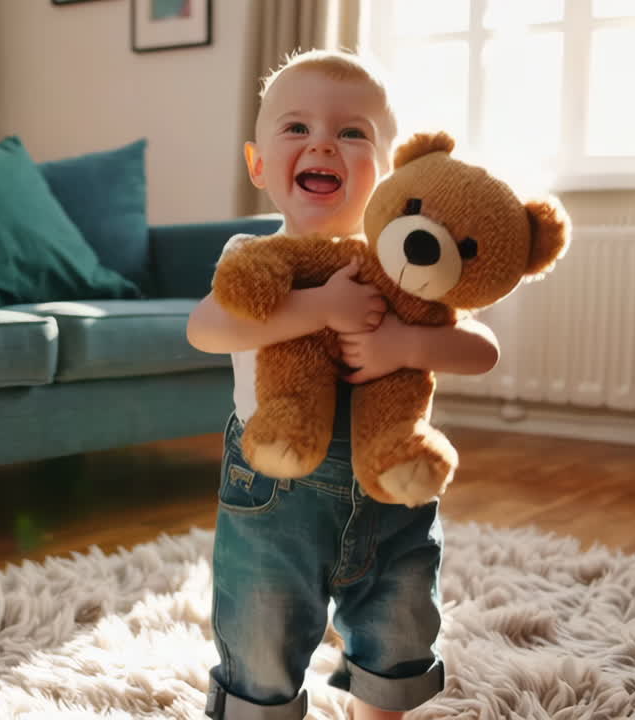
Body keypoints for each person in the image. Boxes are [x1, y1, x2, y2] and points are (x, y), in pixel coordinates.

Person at [187, 49, 500, 720]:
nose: (323, 141)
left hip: (392, 489)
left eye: (352, 132)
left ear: (388, 171)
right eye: (296, 128)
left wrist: (405, 344)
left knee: (400, 623)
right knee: (262, 627)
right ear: (259, 164)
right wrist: (320, 308)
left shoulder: (409, 262)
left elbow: (482, 349)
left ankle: (377, 706)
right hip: (275, 493)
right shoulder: (250, 257)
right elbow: (207, 329)